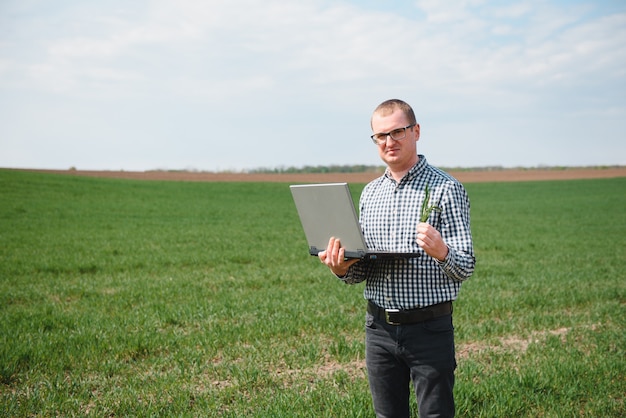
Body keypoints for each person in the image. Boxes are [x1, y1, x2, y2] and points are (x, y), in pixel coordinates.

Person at [318, 99, 475, 418]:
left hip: (429, 328)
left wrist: (441, 251)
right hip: (378, 328)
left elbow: (466, 265)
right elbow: (361, 269)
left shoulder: (446, 189)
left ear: (416, 132)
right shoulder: (370, 193)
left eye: (398, 132)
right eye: (380, 135)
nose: (389, 141)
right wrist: (341, 268)